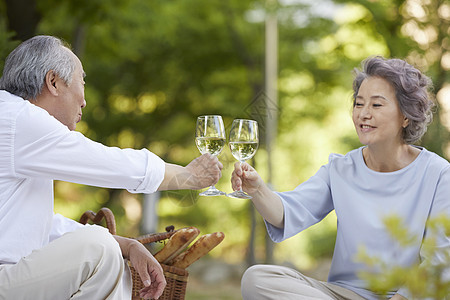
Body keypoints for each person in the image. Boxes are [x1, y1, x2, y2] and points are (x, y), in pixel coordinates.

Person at [0, 35, 223, 300]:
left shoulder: (14, 125)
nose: (84, 101)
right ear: (53, 82)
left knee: (107, 248)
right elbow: (106, 162)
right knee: (100, 248)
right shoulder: (18, 120)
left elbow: (39, 224)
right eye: (81, 82)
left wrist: (127, 245)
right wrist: (187, 177)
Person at [232, 56, 450, 299]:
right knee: (257, 279)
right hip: (341, 294)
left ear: (406, 116)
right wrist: (257, 189)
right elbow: (286, 213)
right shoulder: (340, 169)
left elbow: (438, 263)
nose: (363, 114)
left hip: (403, 297)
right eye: (359, 104)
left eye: (376, 105)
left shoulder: (438, 174)